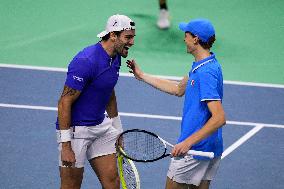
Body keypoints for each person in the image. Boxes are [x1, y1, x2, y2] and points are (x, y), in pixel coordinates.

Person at [127, 18, 226, 189]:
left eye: (186, 35)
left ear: (195, 39)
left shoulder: (205, 73)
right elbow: (178, 89)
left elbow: (219, 118)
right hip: (211, 147)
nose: (183, 39)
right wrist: (142, 75)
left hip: (195, 150)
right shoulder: (205, 64)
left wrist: (187, 143)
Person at [56, 14, 136, 189]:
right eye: (128, 37)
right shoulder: (86, 61)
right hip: (77, 131)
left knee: (113, 183)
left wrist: (118, 130)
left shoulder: (116, 57)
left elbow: (109, 92)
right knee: (71, 185)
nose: (132, 42)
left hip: (101, 127)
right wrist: (66, 145)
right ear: (113, 35)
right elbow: (64, 102)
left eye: (133, 37)